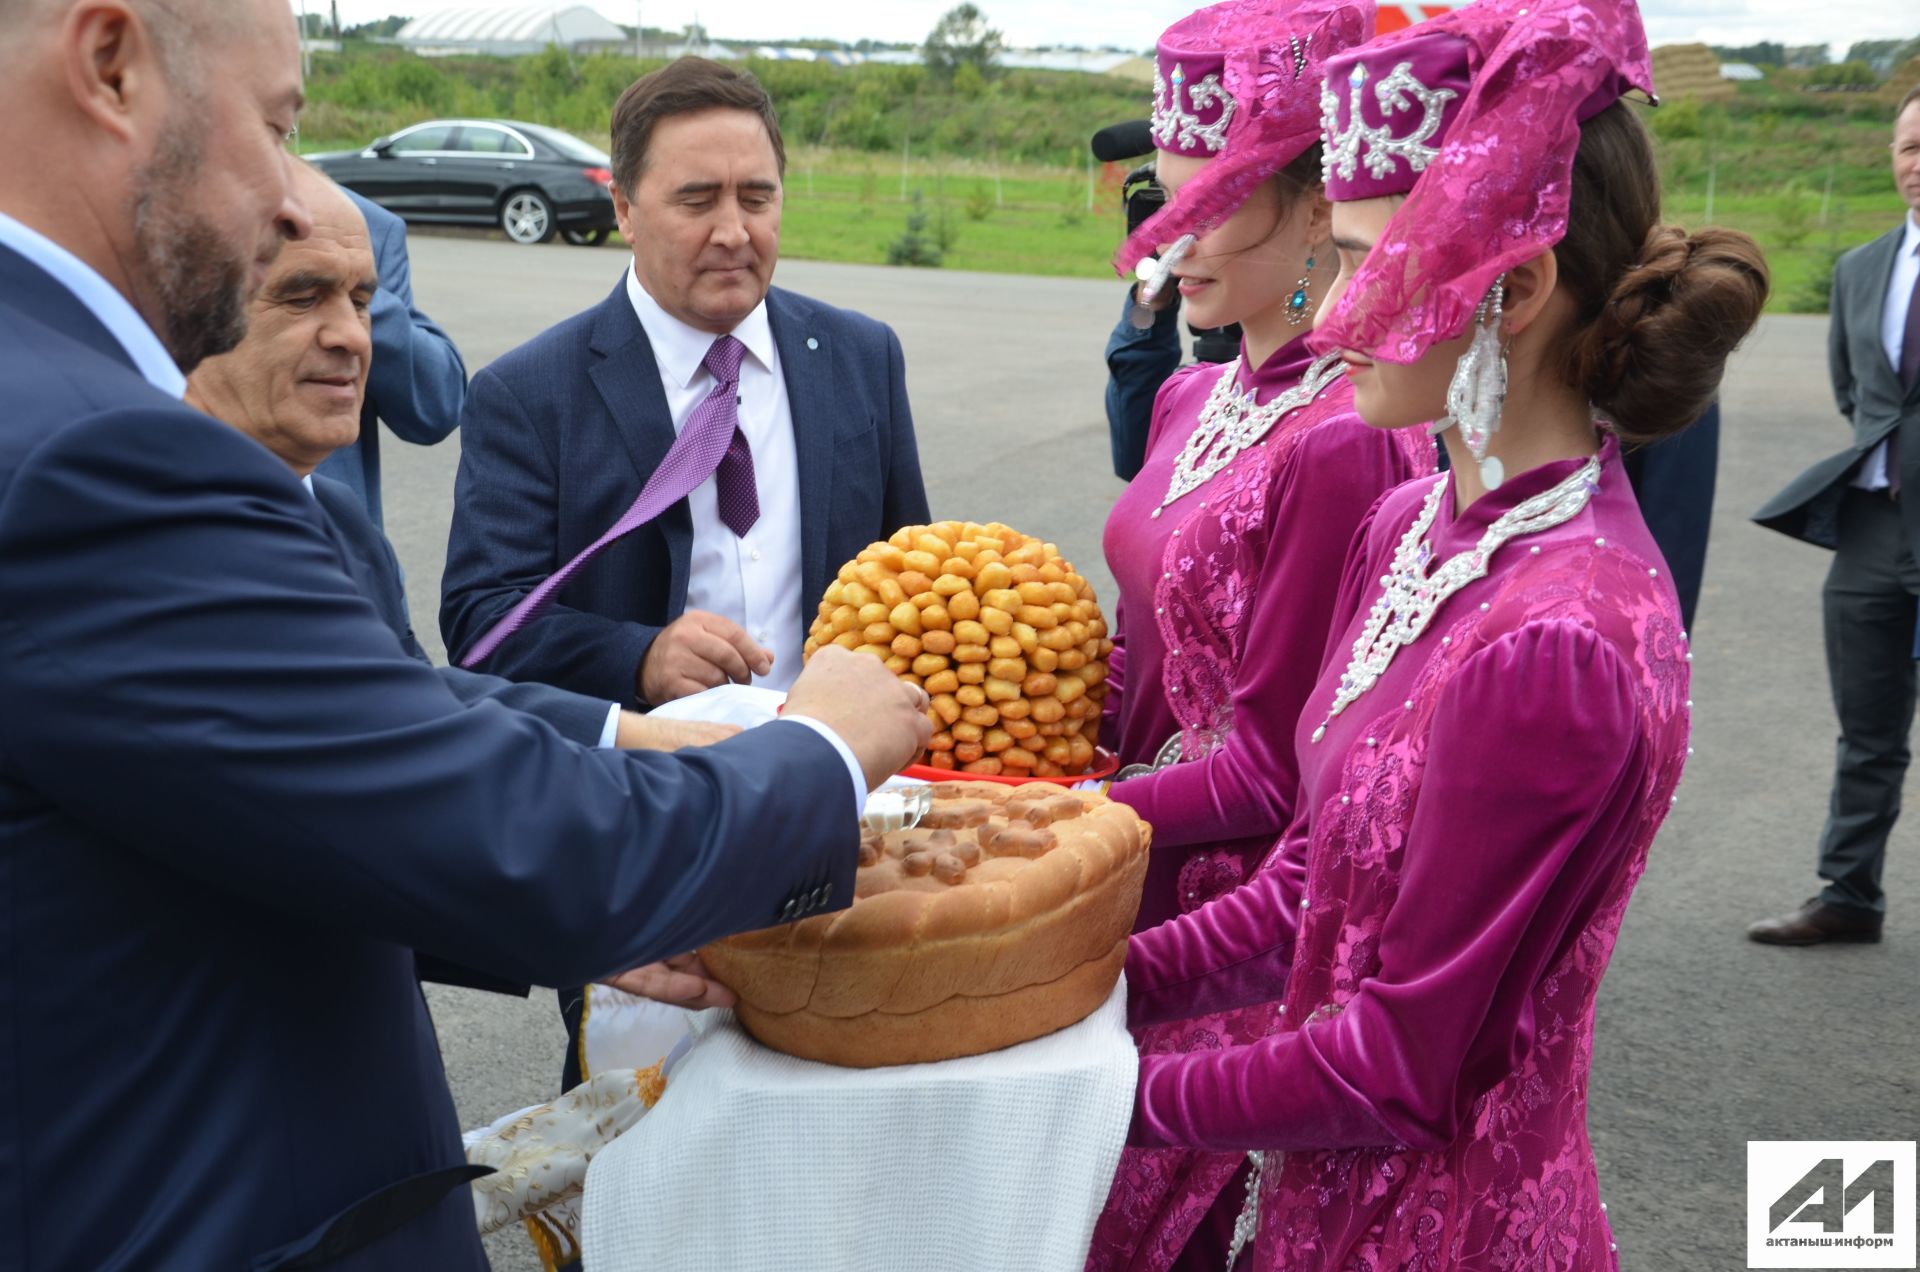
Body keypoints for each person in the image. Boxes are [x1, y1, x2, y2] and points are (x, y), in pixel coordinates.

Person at [0, 0, 931, 1265]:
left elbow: (291, 773)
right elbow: (516, 833)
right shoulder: (93, 454)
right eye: (276, 127)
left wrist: (629, 744)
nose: (290, 197)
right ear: (109, 67)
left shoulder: (51, 407)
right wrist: (819, 750)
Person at [1102, 0, 1767, 1267]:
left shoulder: (1557, 641)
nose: (1332, 310)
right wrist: (1082, 992)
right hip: (1312, 1208)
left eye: (1361, 261)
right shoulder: (1414, 524)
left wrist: (1089, 1094)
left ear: (1512, 290)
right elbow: (1302, 885)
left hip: (1439, 1229)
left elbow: (1399, 1068)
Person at [438, 56, 932, 1094]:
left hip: (838, 811)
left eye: (757, 197)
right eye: (695, 199)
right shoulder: (532, 393)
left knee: (834, 1102)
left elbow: (912, 582)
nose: (733, 230)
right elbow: (481, 626)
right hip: (641, 820)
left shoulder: (858, 358)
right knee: (634, 1127)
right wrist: (640, 656)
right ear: (621, 206)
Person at [1086, 4, 1433, 1264]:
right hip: (1118, 858)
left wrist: (1074, 815)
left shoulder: (1344, 433)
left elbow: (1278, 767)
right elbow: (1151, 658)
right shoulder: (1196, 388)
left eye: (1203, 207)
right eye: (1159, 202)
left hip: (1215, 915)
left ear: (1310, 208)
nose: (1161, 240)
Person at [1748, 86, 1920, 946]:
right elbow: (1858, 396)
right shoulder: (1861, 269)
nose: (1917, 165)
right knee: (1869, 730)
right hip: (1874, 530)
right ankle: (1850, 895)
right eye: (1908, 147)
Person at [310, 185, 466, 528]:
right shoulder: (168, 216)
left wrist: (348, 290)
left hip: (341, 554)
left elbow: (435, 409)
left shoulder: (367, 226)